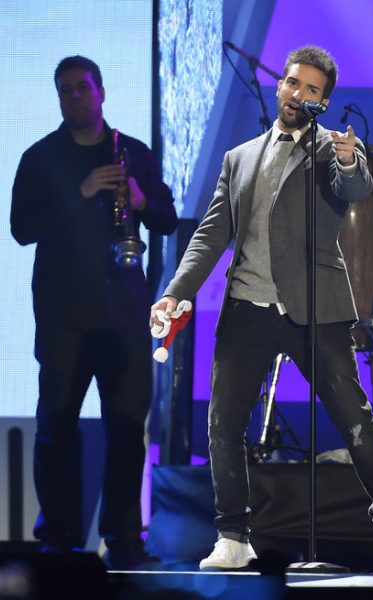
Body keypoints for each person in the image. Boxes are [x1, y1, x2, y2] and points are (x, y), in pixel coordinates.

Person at [150, 45, 373, 575]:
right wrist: (177, 291)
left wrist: (347, 158)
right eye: (293, 83)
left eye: (312, 89)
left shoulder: (331, 149)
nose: (298, 94)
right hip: (247, 307)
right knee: (223, 421)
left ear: (323, 101)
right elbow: (211, 234)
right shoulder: (239, 158)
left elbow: (354, 185)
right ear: (280, 86)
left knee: (354, 419)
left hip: (315, 308)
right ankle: (232, 536)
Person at [11, 55, 178, 569]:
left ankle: (124, 539)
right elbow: (21, 229)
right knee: (56, 427)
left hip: (124, 312)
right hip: (63, 315)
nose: (74, 97)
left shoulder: (133, 152)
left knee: (127, 429)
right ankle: (58, 539)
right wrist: (80, 193)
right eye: (65, 90)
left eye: (82, 88)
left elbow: (167, 219)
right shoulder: (41, 157)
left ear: (101, 91)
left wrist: (140, 199)